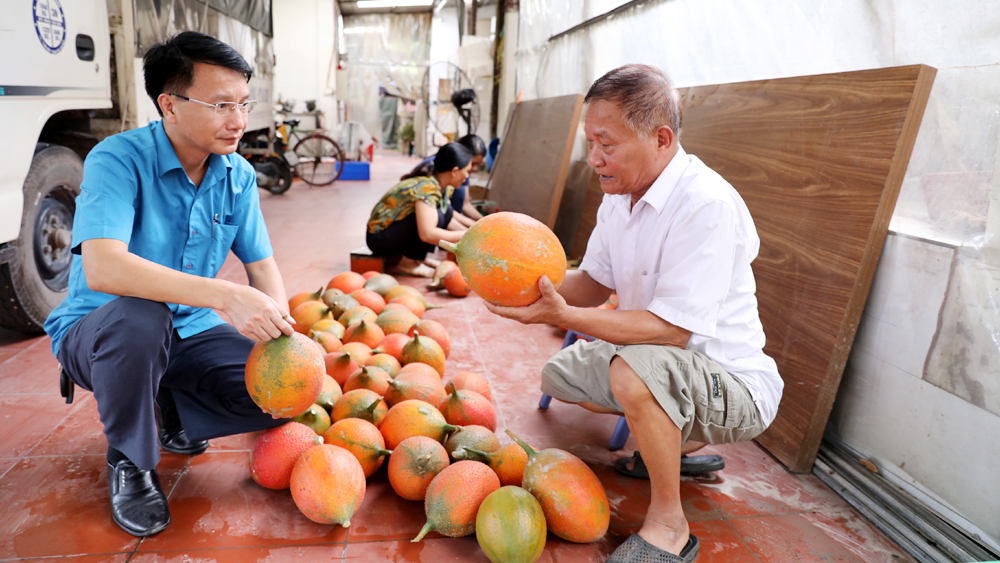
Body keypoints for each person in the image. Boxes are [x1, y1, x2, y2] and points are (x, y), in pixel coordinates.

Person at [485, 64, 784, 563]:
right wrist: (519, 284)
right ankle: (669, 444)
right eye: (589, 142)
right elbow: (592, 283)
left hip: (732, 384)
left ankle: (670, 524)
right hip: (657, 360)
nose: (593, 159)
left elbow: (670, 331)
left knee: (632, 373)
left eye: (607, 144)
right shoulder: (620, 199)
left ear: (661, 138)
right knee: (560, 375)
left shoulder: (704, 204)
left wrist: (563, 316)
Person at [43, 31, 294, 537]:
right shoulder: (118, 159)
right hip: (104, 330)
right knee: (142, 316)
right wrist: (225, 295)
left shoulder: (237, 176)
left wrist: (287, 343)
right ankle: (130, 461)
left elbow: (262, 268)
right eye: (222, 104)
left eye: (244, 104)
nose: (239, 121)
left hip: (191, 329)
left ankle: (169, 405)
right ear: (170, 105)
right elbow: (106, 269)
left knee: (276, 397)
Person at [367, 142, 473, 277]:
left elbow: (450, 217)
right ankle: (407, 264)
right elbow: (427, 234)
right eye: (467, 171)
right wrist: (466, 236)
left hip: (392, 232)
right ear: (454, 171)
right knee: (435, 218)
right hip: (379, 239)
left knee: (445, 213)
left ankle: (416, 258)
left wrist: (474, 229)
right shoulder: (427, 188)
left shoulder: (441, 185)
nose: (467, 176)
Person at [403, 134, 486, 225]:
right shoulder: (429, 184)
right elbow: (428, 233)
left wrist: (482, 225)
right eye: (472, 164)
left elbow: (449, 214)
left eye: (477, 165)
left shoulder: (449, 184)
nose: (474, 169)